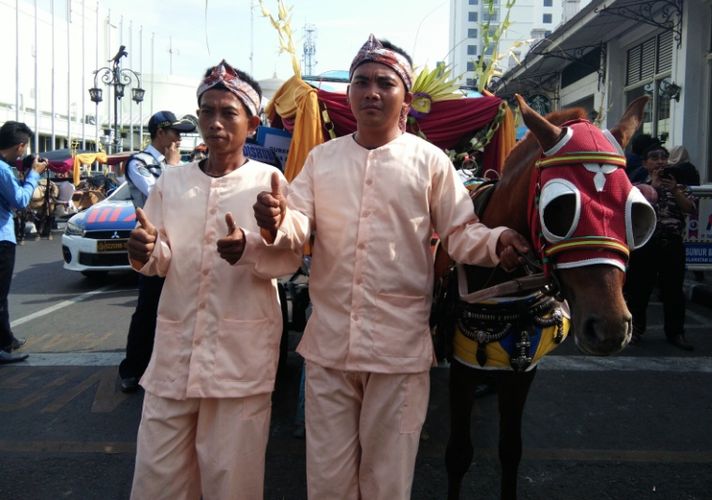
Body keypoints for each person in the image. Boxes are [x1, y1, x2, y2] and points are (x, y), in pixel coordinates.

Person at [253, 34, 530, 499]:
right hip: (330, 347)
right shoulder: (323, 159)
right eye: (361, 82)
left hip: (398, 349)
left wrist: (498, 240)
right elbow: (298, 224)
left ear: (405, 97)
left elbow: (461, 232)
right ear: (349, 94)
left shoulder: (430, 162)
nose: (371, 92)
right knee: (326, 478)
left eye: (384, 82)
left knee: (387, 479)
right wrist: (278, 221)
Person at [127, 61, 300, 499]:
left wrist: (252, 247)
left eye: (228, 112)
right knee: (158, 479)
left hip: (239, 360)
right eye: (207, 111)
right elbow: (163, 256)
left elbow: (292, 258)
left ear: (253, 123)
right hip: (175, 354)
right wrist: (145, 252)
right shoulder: (171, 180)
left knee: (232, 483)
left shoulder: (269, 182)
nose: (215, 122)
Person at [118, 110, 195, 393]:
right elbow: (158, 194)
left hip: (180, 245)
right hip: (152, 245)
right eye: (175, 132)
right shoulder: (140, 162)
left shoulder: (178, 165)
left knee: (178, 307)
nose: (178, 138)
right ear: (161, 133)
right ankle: (132, 369)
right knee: (147, 309)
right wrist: (174, 168)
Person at [625, 144, 696, 351]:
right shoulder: (637, 187)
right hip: (645, 244)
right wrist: (653, 187)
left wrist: (673, 189)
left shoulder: (679, 186)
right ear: (645, 163)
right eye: (654, 158)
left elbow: (690, 209)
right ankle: (635, 330)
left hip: (672, 244)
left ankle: (676, 332)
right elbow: (632, 209)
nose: (659, 161)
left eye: (663, 157)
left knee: (673, 291)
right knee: (639, 290)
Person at [0, 121, 47, 363]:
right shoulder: (2, 170)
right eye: (25, 146)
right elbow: (20, 200)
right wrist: (34, 175)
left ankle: (6, 339)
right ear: (20, 146)